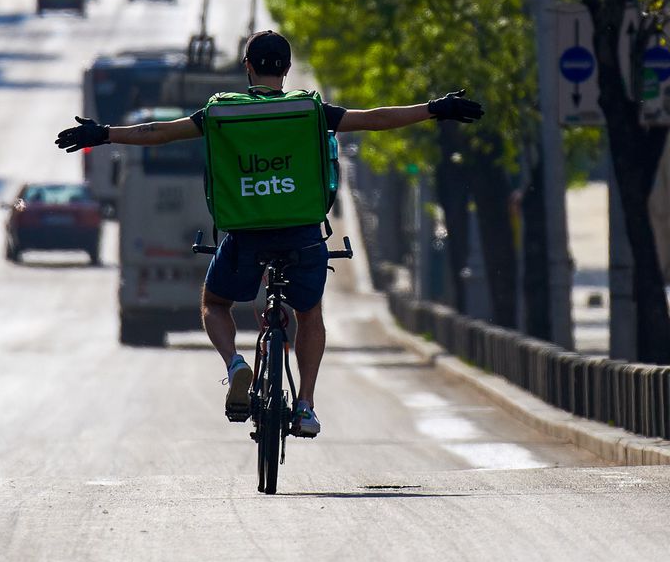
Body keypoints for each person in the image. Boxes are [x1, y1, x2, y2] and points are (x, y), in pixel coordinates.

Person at [55, 30, 483, 436]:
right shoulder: (311, 111)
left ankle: (236, 364)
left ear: (247, 67)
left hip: (245, 235)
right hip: (302, 235)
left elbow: (159, 132)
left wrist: (104, 132)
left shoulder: (220, 112)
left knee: (215, 303)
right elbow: (375, 119)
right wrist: (434, 109)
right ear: (288, 68)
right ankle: (307, 405)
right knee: (309, 313)